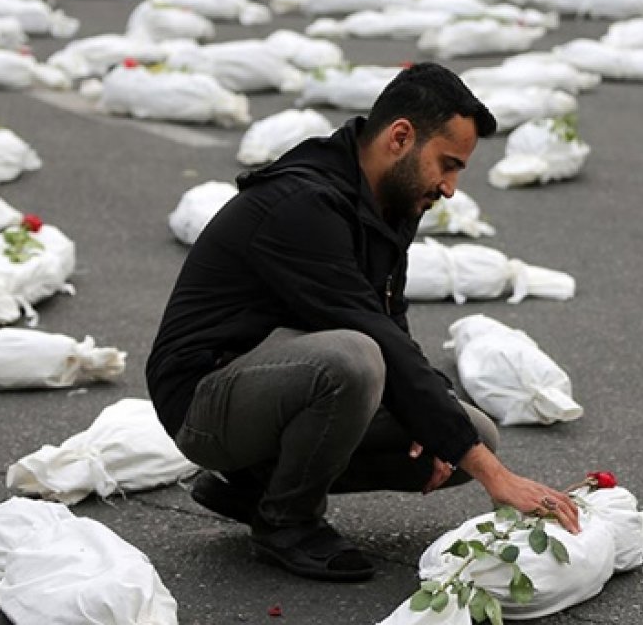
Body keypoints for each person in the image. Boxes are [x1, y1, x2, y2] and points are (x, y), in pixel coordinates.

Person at [146, 62, 580, 583]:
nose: (449, 187)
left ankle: (256, 489)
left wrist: (437, 420)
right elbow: (370, 335)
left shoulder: (392, 199)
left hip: (278, 380)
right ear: (401, 137)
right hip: (204, 400)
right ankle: (287, 522)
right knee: (355, 360)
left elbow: (390, 320)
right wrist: (497, 479)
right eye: (447, 164)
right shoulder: (302, 204)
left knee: (472, 432)